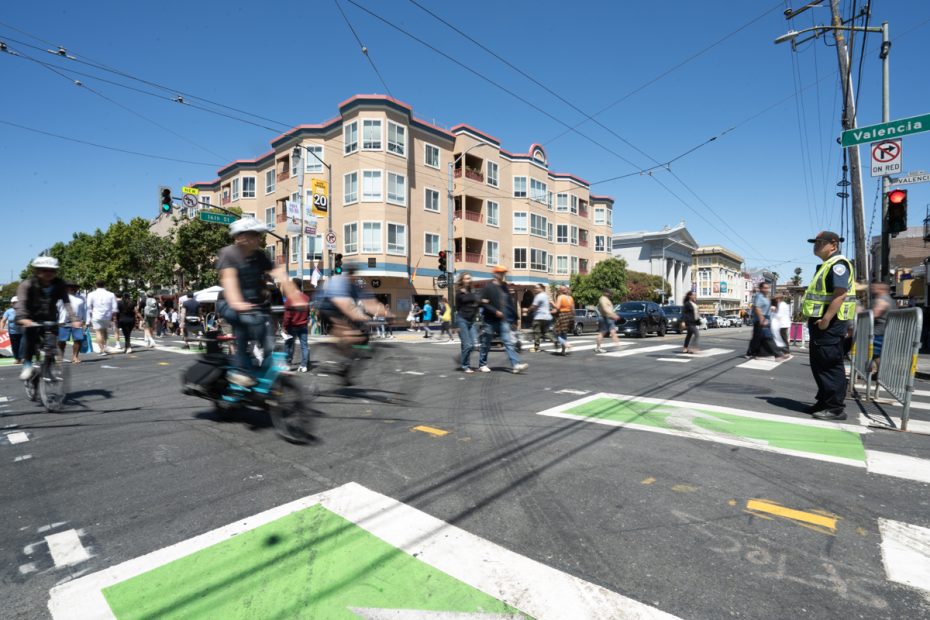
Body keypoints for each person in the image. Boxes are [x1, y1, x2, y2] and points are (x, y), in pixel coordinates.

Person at [216, 217, 304, 386]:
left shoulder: (259, 255)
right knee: (244, 322)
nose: (259, 238)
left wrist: (295, 295)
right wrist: (237, 303)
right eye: (255, 234)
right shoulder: (229, 253)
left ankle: (262, 372)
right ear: (241, 237)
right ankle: (239, 371)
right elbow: (229, 280)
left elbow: (279, 273)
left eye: (258, 235)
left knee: (267, 338)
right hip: (228, 303)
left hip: (255, 306)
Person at [801, 230, 856, 421]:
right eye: (814, 242)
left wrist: (826, 320)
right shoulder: (827, 265)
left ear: (833, 244)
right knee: (820, 365)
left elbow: (840, 294)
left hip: (830, 324)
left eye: (820, 242)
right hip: (823, 325)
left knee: (830, 365)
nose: (815, 245)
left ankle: (835, 408)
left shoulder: (838, 265)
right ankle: (824, 401)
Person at [14, 257, 80, 380]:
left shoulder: (59, 284)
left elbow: (66, 302)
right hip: (30, 317)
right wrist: (23, 318)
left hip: (49, 318)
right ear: (37, 271)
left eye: (52, 270)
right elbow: (21, 303)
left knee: (51, 345)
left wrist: (74, 319)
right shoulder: (27, 284)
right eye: (44, 270)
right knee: (30, 339)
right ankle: (27, 364)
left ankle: (47, 370)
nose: (49, 273)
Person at [477, 265, 527, 373]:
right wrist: (495, 311)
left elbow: (509, 303)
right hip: (489, 320)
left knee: (508, 342)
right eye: (500, 273)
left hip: (502, 320)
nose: (502, 275)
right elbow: (483, 303)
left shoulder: (504, 286)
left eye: (503, 273)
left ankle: (515, 365)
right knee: (486, 342)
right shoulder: (488, 287)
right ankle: (482, 364)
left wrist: (515, 317)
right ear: (495, 274)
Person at [282, 278, 310, 372]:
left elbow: (287, 316)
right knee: (304, 346)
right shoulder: (306, 298)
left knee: (289, 345)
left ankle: (288, 364)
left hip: (292, 326)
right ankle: (304, 365)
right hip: (303, 325)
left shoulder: (290, 299)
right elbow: (308, 312)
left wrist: (284, 326)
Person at [455, 273, 480, 373]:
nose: (468, 280)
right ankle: (465, 365)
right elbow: (457, 308)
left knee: (474, 345)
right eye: (466, 278)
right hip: (462, 320)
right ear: (462, 280)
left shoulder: (472, 291)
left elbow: (476, 304)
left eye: (470, 278)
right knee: (468, 345)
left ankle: (462, 360)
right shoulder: (459, 293)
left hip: (472, 320)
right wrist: (455, 325)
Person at [86, 280, 117, 356]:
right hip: (107, 315)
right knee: (104, 331)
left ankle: (102, 349)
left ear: (96, 285)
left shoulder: (91, 294)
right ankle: (105, 347)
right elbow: (114, 307)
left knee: (98, 332)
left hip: (96, 315)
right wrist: (113, 316)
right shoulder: (111, 294)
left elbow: (88, 306)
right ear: (105, 285)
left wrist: (90, 315)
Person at [57, 282, 86, 363]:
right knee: (62, 341)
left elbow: (84, 310)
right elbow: (57, 309)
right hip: (64, 322)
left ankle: (75, 357)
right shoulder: (61, 297)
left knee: (78, 340)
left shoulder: (82, 298)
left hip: (77, 322)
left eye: (75, 287)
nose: (73, 288)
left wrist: (85, 321)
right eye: (70, 287)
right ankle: (60, 356)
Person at [869, 281, 893, 376]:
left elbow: (876, 313)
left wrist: (866, 315)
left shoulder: (882, 299)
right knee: (876, 354)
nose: (872, 289)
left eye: (874, 288)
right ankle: (880, 373)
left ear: (881, 289)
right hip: (883, 331)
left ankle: (881, 373)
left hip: (879, 332)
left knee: (875, 353)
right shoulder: (888, 299)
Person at [528, 283, 557, 352]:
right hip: (547, 317)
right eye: (535, 288)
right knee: (546, 332)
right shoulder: (546, 296)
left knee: (536, 332)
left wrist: (528, 310)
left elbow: (534, 306)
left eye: (537, 288)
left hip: (539, 317)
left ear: (541, 288)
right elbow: (552, 303)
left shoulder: (538, 296)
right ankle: (554, 340)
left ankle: (536, 348)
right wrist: (555, 309)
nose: (535, 289)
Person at [594, 288, 621, 353]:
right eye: (609, 292)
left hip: (608, 318)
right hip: (605, 318)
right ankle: (598, 348)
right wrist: (613, 315)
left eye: (610, 293)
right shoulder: (602, 299)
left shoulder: (606, 299)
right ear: (605, 292)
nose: (610, 294)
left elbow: (609, 309)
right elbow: (605, 309)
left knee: (612, 332)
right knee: (604, 332)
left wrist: (613, 315)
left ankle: (618, 346)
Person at [554, 285, 575, 355]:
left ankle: (565, 343)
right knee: (564, 333)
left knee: (556, 333)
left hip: (562, 315)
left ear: (560, 290)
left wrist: (551, 304)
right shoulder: (570, 298)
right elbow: (573, 309)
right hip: (569, 316)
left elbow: (557, 307)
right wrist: (573, 319)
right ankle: (563, 351)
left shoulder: (560, 297)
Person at [1, 297, 23, 364]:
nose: (15, 304)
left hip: (22, 332)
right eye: (13, 303)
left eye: (16, 302)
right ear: (11, 303)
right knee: (15, 346)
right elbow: (3, 320)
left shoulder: (23, 310)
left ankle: (22, 358)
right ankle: (17, 359)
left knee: (22, 345)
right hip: (12, 332)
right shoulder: (8, 311)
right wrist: (1, 328)